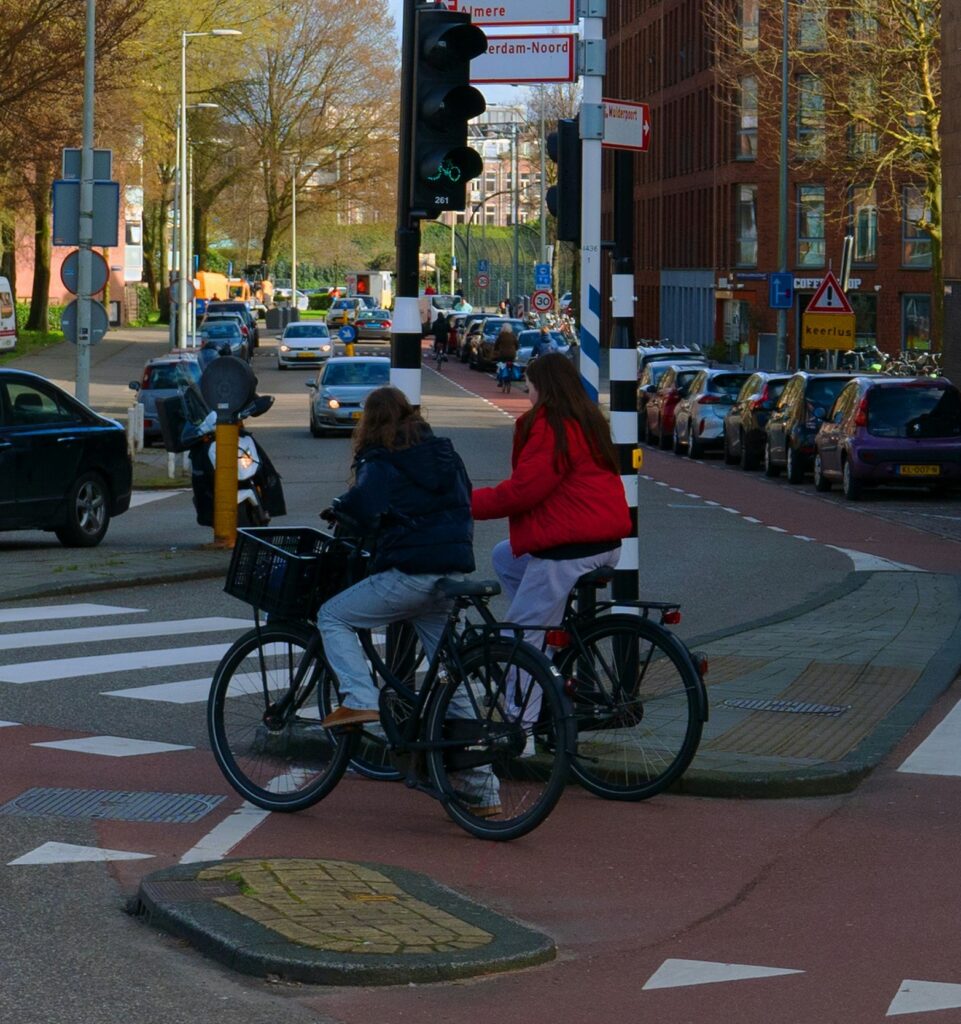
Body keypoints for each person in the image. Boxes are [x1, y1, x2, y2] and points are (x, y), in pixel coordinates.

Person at [318, 387, 475, 730]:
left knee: (331, 616)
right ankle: (474, 748)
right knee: (449, 670)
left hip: (410, 574)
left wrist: (340, 508)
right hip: (451, 574)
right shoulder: (444, 454)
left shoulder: (381, 457)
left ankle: (360, 699)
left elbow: (366, 503)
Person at [472, 352, 631, 640]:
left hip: (571, 549)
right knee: (505, 557)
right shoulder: (588, 421)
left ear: (543, 388)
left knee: (520, 637)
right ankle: (551, 633)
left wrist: (464, 503)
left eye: (529, 387)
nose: (528, 394)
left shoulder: (552, 427)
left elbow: (523, 491)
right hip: (605, 542)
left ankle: (535, 651)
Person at [492, 325, 518, 389]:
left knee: (501, 365)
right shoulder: (513, 335)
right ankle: (510, 377)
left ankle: (500, 381)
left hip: (503, 354)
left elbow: (496, 345)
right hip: (512, 355)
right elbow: (517, 345)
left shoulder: (501, 335)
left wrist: (496, 349)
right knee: (511, 364)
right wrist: (515, 349)